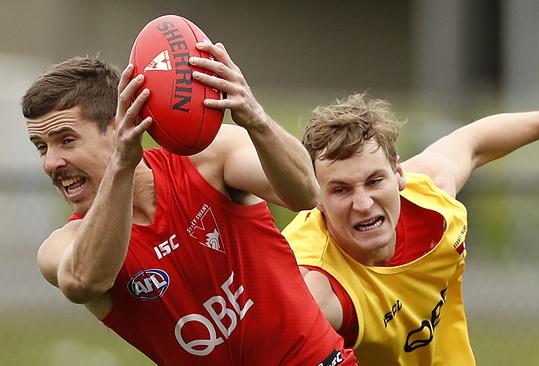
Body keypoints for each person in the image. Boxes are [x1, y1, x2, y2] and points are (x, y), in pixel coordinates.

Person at [22, 42, 356, 365]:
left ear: (118, 126)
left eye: (66, 140)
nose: (52, 162)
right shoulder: (65, 245)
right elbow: (83, 282)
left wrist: (256, 118)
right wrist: (122, 164)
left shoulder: (207, 158)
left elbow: (305, 193)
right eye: (41, 147)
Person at [282, 81, 539, 365]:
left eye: (374, 181)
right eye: (341, 189)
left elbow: (475, 141)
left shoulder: (430, 198)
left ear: (398, 174)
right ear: (316, 198)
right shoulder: (314, 286)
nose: (363, 203)